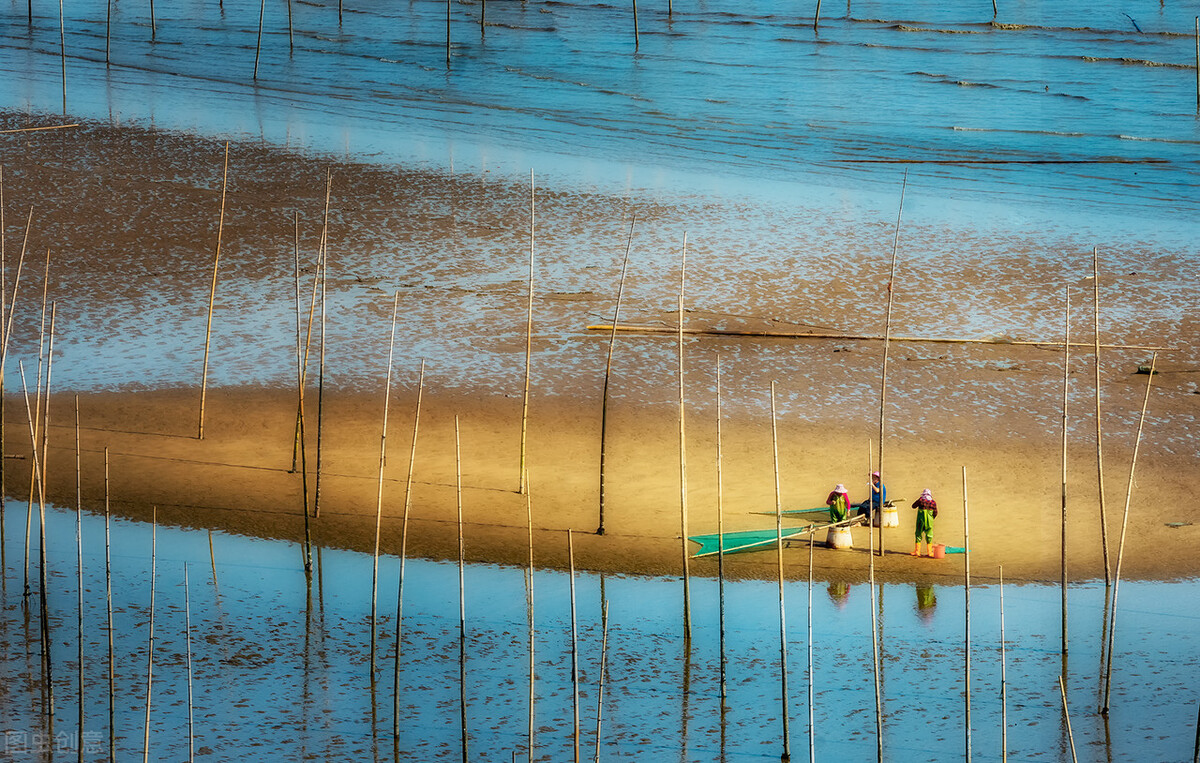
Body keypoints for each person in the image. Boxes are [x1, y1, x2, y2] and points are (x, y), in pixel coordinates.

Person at [911, 488, 938, 557]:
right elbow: (935, 513)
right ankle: (930, 552)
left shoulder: (921, 500)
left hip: (920, 521)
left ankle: (917, 551)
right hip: (929, 522)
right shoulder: (933, 502)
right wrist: (932, 518)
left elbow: (913, 506)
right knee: (929, 535)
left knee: (918, 534)